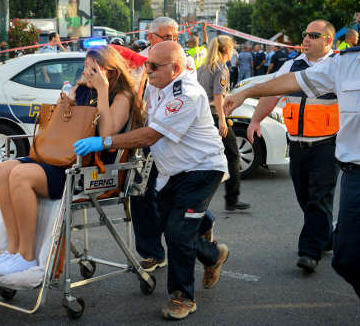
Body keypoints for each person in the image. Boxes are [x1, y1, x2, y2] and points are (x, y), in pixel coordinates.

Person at [224, 0, 360, 324]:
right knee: (347, 259)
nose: (358, 17)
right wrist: (248, 92)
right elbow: (290, 81)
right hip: (358, 179)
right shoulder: (346, 64)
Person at [74, 41, 230, 320]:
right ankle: (212, 254)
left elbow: (150, 135)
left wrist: (105, 141)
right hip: (172, 169)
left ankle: (182, 297)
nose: (148, 69)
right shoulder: (157, 85)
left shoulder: (186, 95)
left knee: (178, 230)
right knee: (173, 225)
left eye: (154, 66)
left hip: (201, 169)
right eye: (147, 64)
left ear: (176, 68)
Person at [0, 45, 143, 276]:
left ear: (110, 72)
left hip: (87, 168)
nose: (86, 71)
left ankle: (26, 256)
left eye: (92, 68)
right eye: (85, 66)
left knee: (20, 175)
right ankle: (13, 251)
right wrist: (70, 96)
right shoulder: (83, 89)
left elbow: (107, 136)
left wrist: (102, 91)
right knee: (4, 168)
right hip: (61, 156)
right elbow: (59, 127)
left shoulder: (122, 95)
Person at [248, 19, 339, 273]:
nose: (306, 39)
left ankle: (309, 252)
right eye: (305, 34)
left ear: (328, 40)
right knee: (306, 198)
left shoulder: (340, 66)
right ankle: (327, 237)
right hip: (297, 145)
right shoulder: (291, 65)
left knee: (319, 198)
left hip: (328, 145)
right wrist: (255, 120)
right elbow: (271, 94)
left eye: (313, 35)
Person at [131, 17, 205, 273]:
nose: (174, 42)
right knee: (140, 194)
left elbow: (177, 95)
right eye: (167, 37)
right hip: (145, 133)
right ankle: (152, 252)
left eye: (176, 37)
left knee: (172, 200)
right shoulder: (136, 60)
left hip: (169, 135)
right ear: (151, 38)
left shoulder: (182, 59)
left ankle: (204, 224)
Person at [197, 35, 252, 212]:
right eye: (232, 49)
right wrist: (222, 119)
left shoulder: (203, 68)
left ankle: (198, 198)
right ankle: (232, 199)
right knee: (233, 156)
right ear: (227, 50)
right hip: (215, 117)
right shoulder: (221, 69)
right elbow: (218, 96)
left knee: (204, 160)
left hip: (203, 117)